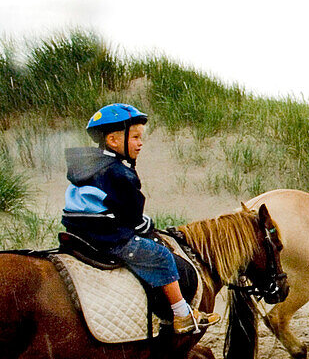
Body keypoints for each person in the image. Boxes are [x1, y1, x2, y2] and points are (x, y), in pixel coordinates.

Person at [63, 103, 219, 334]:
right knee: (160, 255)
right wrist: (146, 225)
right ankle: (182, 314)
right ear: (113, 140)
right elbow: (133, 217)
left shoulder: (88, 165)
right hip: (107, 237)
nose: (140, 143)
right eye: (135, 137)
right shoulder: (119, 172)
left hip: (79, 232)